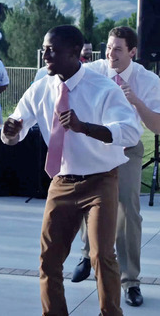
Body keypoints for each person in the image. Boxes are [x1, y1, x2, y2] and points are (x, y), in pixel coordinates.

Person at [1, 25, 142, 315]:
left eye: (51, 49)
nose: (45, 54)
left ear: (75, 53)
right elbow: (15, 129)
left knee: (101, 255)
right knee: (48, 260)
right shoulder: (41, 87)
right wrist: (10, 130)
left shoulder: (103, 87)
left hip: (100, 181)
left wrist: (84, 127)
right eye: (44, 48)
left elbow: (131, 133)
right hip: (61, 182)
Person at [70, 26, 160, 307]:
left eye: (118, 49)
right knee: (88, 200)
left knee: (127, 211)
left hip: (127, 149)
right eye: (108, 47)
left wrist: (136, 101)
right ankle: (87, 254)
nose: (111, 54)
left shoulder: (148, 79)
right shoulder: (93, 70)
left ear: (133, 52)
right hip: (94, 144)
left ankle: (130, 281)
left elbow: (157, 127)